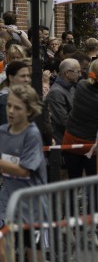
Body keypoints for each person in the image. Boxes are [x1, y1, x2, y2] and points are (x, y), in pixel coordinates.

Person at [0, 84, 48, 262]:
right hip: (7, 203)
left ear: (29, 111)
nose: (11, 111)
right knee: (4, 248)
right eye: (9, 105)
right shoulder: (2, 132)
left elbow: (24, 171)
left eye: (17, 108)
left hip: (32, 206)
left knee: (34, 253)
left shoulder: (32, 135)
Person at [45, 58, 81, 144]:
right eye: (78, 72)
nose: (80, 75)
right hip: (62, 141)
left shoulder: (71, 87)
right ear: (67, 73)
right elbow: (63, 121)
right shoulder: (56, 93)